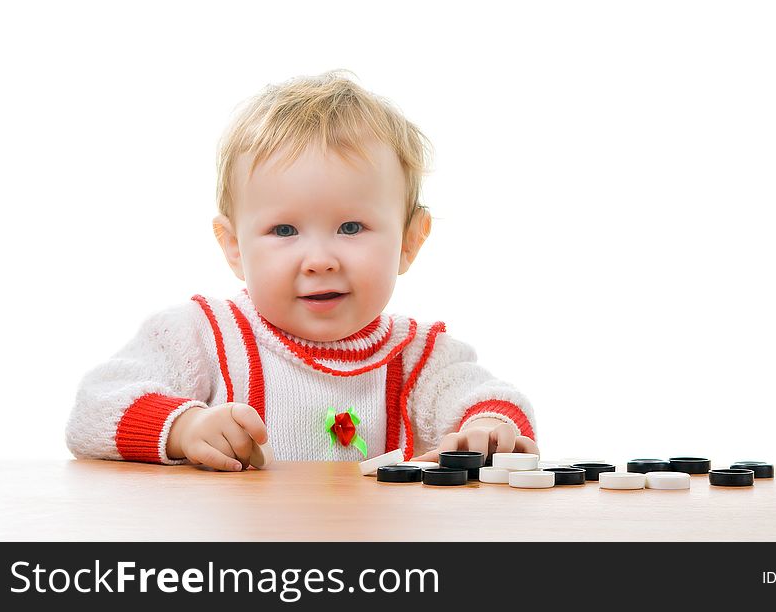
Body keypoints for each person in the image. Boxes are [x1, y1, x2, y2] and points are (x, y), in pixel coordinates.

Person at [66, 69, 538, 471]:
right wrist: (184, 427)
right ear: (233, 247)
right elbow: (93, 409)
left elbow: (491, 401)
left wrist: (489, 430)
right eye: (285, 230)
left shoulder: (422, 357)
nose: (319, 260)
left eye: (351, 226)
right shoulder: (203, 336)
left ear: (410, 241)